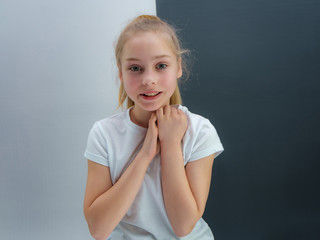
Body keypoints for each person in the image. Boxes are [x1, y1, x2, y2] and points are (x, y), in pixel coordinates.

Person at [83, 15, 224, 240]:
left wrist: (169, 145)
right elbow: (98, 229)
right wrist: (145, 153)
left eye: (161, 65)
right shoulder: (104, 134)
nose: (149, 79)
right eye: (135, 68)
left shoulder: (200, 131)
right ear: (121, 72)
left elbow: (183, 226)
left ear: (178, 67)